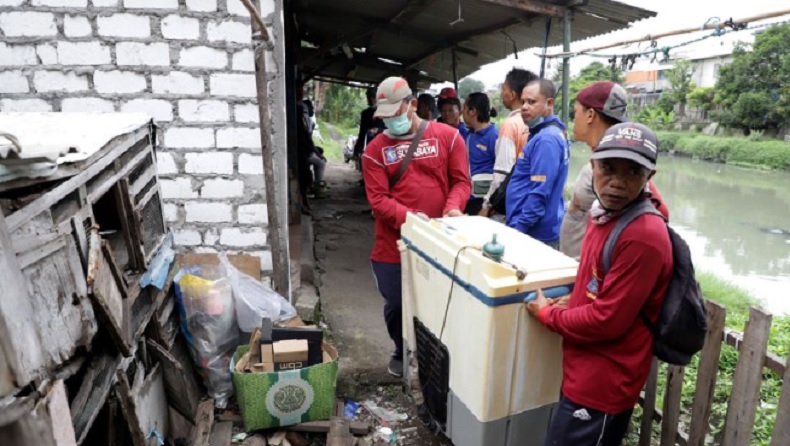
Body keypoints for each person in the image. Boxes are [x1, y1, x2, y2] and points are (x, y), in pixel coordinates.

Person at [527, 122, 672, 446]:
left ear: (649, 177)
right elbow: (595, 278)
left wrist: (548, 315)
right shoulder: (603, 212)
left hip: (604, 384)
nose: (617, 183)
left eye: (632, 172)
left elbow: (607, 320)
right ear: (593, 164)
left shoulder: (643, 235)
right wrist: (576, 300)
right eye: (608, 168)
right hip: (584, 370)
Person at [362, 77, 471, 377]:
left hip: (440, 242)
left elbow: (461, 182)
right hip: (393, 246)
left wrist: (452, 207)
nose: (389, 122)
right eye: (384, 116)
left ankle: (432, 359)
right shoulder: (374, 151)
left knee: (436, 306)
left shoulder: (448, 137)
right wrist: (412, 219)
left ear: (412, 105)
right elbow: (379, 201)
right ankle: (400, 346)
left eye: (395, 114)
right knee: (397, 305)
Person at [559, 82, 670, 258]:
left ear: (590, 115)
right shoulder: (598, 162)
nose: (574, 120)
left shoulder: (619, 171)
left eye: (575, 113)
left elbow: (660, 214)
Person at [505, 79, 569, 248]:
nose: (524, 107)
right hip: (533, 231)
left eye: (532, 102)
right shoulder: (543, 134)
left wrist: (519, 230)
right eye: (523, 101)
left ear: (549, 103)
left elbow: (539, 193)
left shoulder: (546, 139)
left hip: (534, 235)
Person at [480, 68, 537, 217]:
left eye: (504, 88)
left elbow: (502, 172)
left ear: (512, 95)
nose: (501, 93)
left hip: (510, 204)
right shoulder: (537, 124)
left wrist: (486, 205)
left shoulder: (511, 124)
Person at [462, 92, 498, 215]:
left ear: (472, 111)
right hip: (467, 198)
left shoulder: (494, 137)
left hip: (483, 203)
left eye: (464, 109)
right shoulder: (468, 135)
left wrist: (487, 206)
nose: (462, 113)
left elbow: (501, 174)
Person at [296, 84, 327, 209]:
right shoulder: (297, 112)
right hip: (300, 151)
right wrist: (314, 151)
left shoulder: (305, 118)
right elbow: (305, 137)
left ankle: (314, 188)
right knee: (320, 163)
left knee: (319, 159)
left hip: (304, 148)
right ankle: (317, 186)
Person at [354, 88, 386, 172]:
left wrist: (357, 149)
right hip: (383, 145)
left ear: (372, 98)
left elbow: (362, 132)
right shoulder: (387, 112)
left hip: (371, 145)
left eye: (368, 97)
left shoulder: (366, 113)